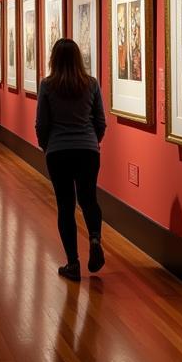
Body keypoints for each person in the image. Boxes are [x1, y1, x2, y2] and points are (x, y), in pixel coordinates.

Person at [35, 37, 107, 282]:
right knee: (88, 199)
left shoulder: (47, 85)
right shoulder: (91, 84)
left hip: (58, 151)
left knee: (65, 205)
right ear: (78, 58)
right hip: (88, 150)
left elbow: (42, 124)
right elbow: (100, 122)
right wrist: (91, 142)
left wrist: (48, 146)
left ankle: (73, 263)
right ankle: (95, 239)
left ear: (53, 59)